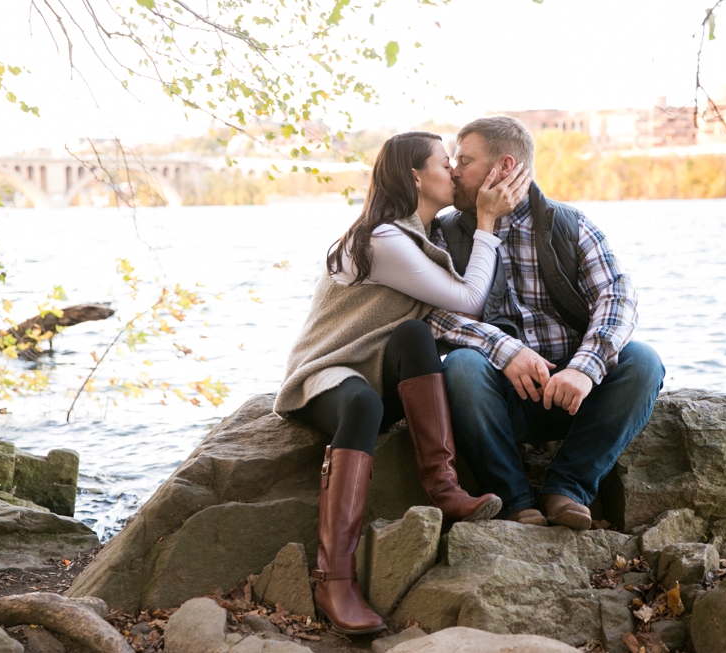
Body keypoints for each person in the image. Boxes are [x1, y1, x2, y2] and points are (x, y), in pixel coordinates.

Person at [274, 131, 529, 634]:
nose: (453, 172)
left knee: (414, 336)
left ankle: (444, 486)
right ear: (415, 176)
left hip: (372, 373)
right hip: (325, 375)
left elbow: (446, 315)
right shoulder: (384, 239)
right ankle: (335, 579)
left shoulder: (422, 237)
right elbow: (468, 299)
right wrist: (486, 222)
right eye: (443, 163)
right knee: (363, 406)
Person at [428, 115, 665, 530]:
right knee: (462, 367)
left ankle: (568, 490)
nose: (454, 170)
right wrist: (506, 351)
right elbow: (432, 316)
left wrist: (583, 369)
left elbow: (618, 297)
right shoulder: (443, 233)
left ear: (503, 167)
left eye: (464, 160)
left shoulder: (571, 225)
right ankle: (515, 501)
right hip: (499, 398)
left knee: (643, 362)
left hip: (574, 394)